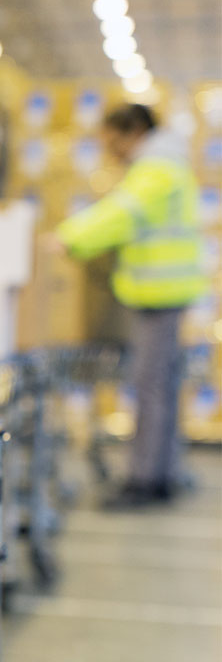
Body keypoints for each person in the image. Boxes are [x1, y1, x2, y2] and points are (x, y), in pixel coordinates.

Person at [50, 104, 208, 507]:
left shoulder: (157, 167)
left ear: (134, 131)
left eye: (113, 142)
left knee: (151, 385)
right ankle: (164, 473)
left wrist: (67, 238)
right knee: (163, 384)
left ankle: (145, 480)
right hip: (164, 292)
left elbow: (121, 214)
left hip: (161, 294)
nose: (110, 152)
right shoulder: (166, 163)